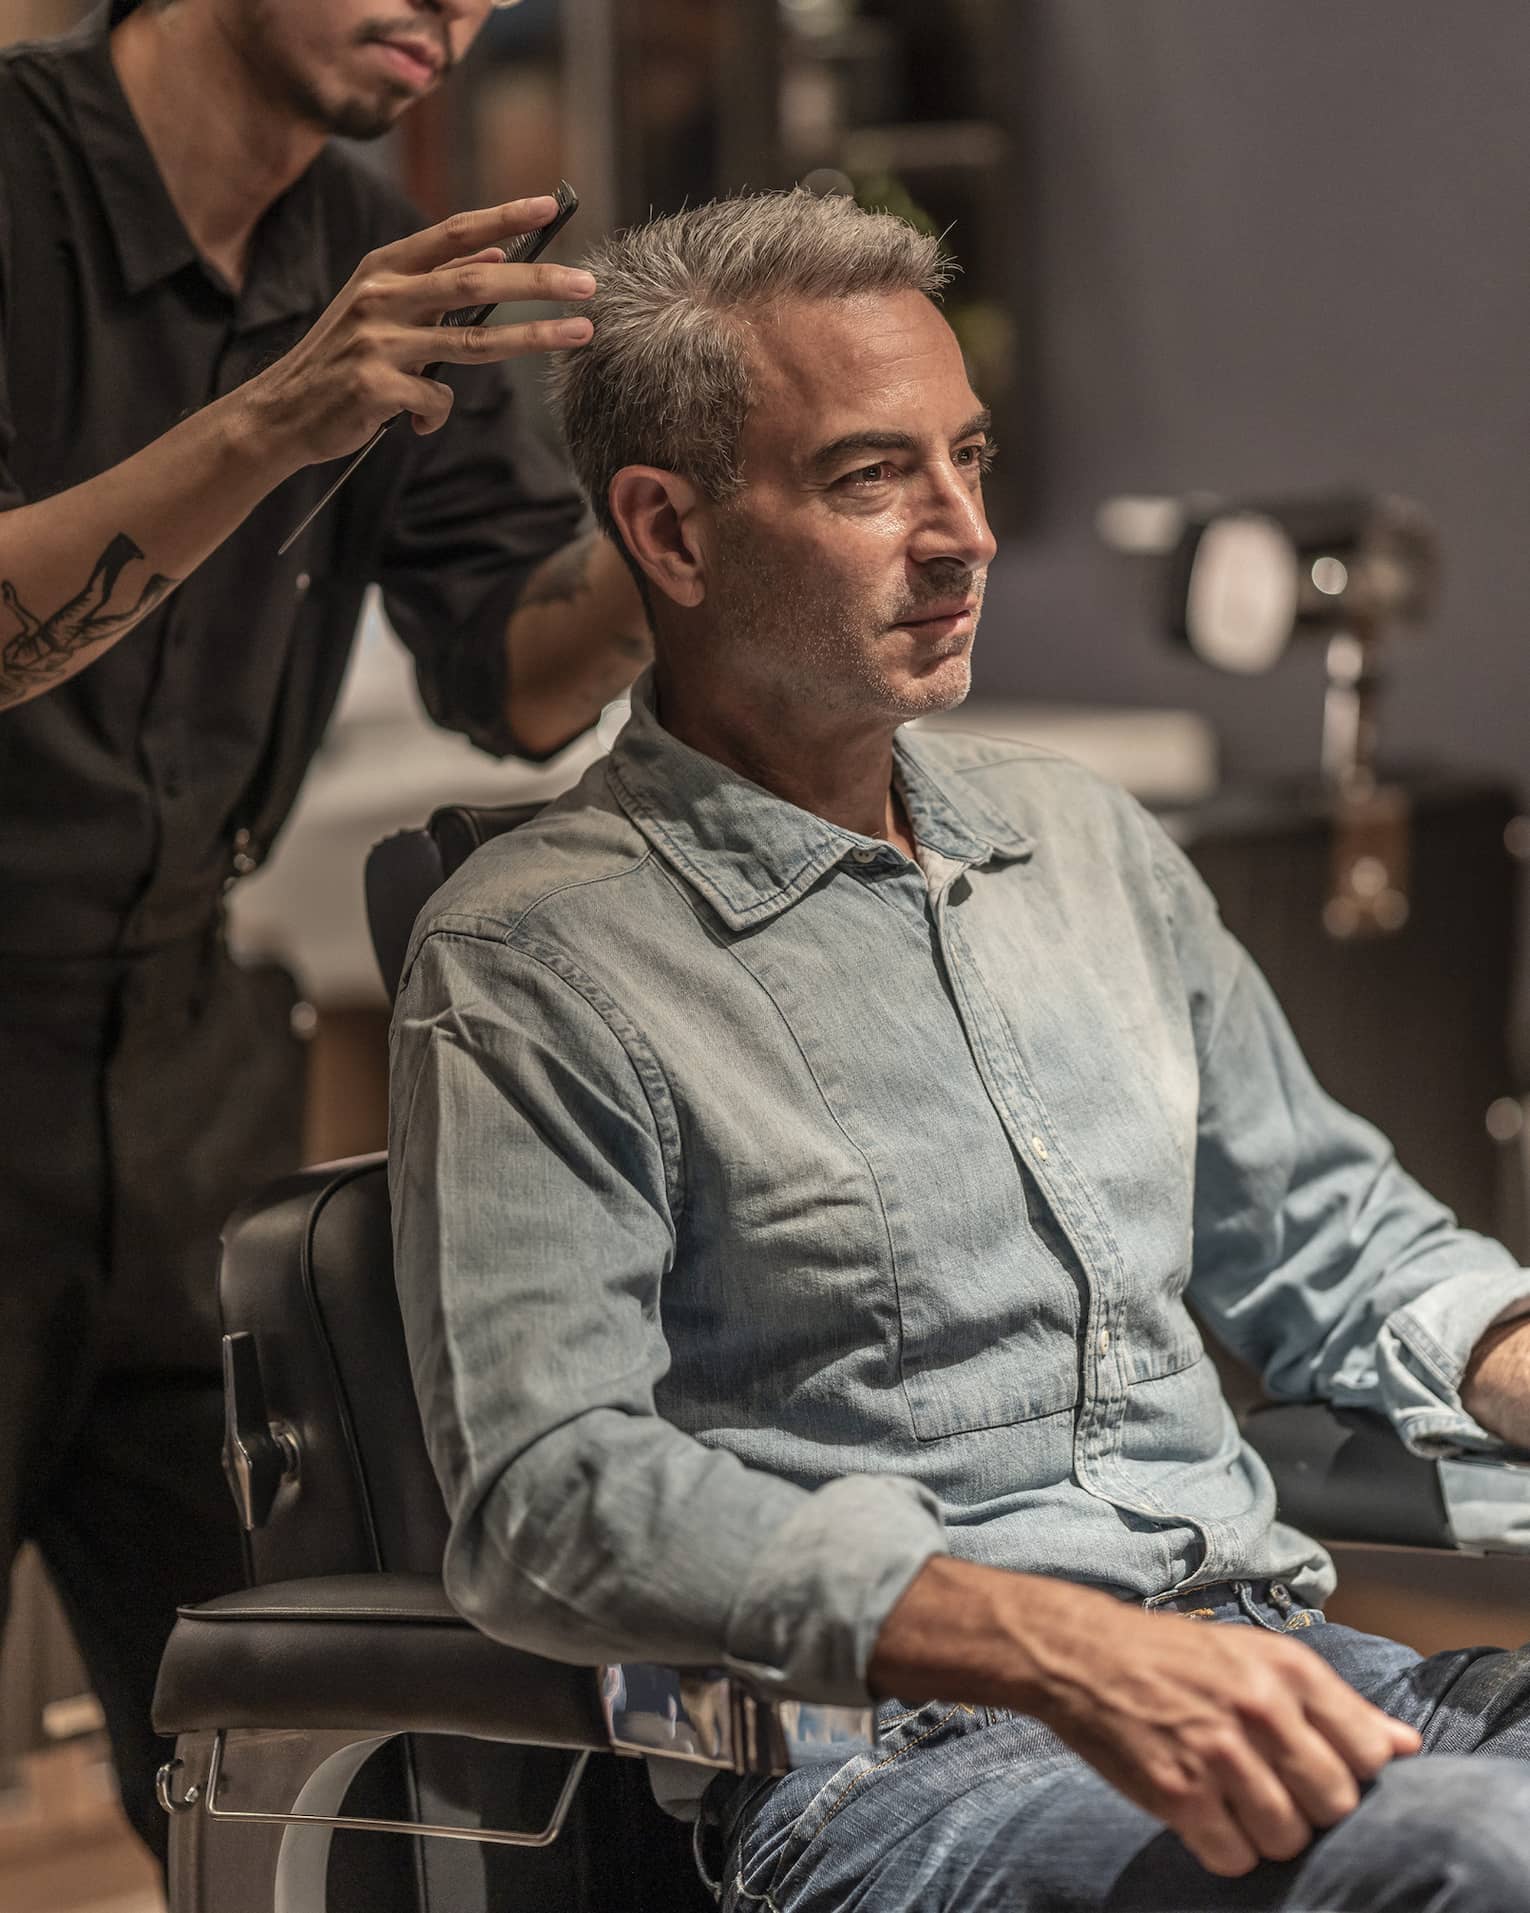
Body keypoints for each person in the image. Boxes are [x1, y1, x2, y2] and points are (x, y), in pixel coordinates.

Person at [389, 190, 1530, 1911]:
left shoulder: (1080, 843)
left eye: (968, 460)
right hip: (908, 1770)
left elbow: (1324, 1233)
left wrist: (1513, 1352)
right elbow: (551, 1495)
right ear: (670, 535)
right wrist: (1054, 1645)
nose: (963, 534)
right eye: (869, 478)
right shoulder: (541, 956)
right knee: (1481, 1858)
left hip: (1270, 1667)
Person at [0, 0, 651, 1867]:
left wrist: (687, 532)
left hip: (184, 1063)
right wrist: (280, 413)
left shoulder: (362, 243)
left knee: (307, 1767)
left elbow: (513, 678)